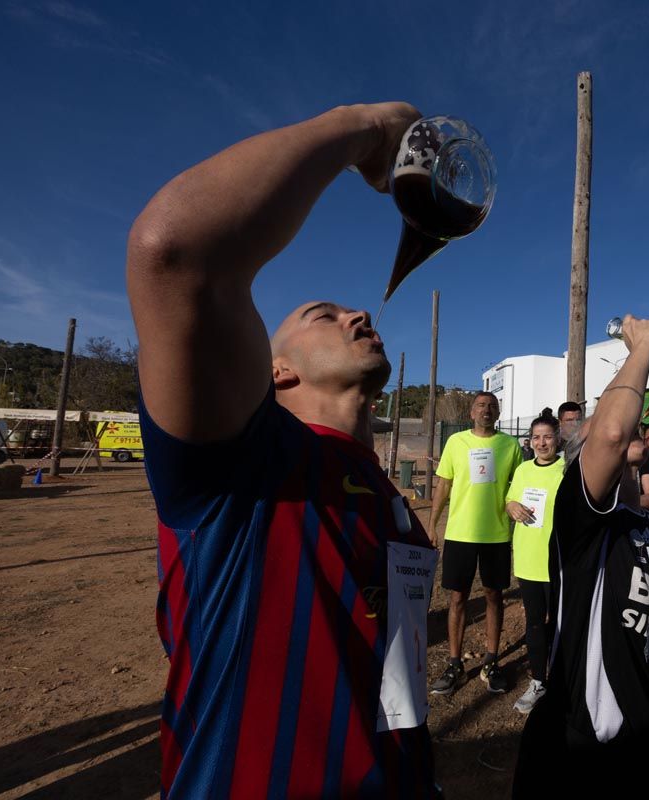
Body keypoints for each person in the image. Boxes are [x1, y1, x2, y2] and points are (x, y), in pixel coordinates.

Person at [127, 102, 441, 797]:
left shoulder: (385, 496)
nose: (356, 313)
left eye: (349, 310)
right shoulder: (246, 459)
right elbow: (175, 251)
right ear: (275, 373)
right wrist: (362, 128)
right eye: (321, 316)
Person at [513, 315, 649, 799]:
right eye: (599, 414)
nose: (622, 414)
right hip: (584, 738)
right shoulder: (580, 518)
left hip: (645, 728)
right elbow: (611, 433)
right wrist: (642, 346)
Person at [429, 392, 522, 695]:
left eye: (492, 406)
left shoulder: (510, 446)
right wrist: (432, 524)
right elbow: (443, 484)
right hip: (460, 534)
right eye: (481, 405)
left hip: (496, 535)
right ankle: (455, 664)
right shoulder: (456, 443)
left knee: (494, 596)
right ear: (471, 412)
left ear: (498, 413)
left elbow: (519, 487)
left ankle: (491, 662)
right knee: (458, 599)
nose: (486, 409)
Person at [505, 415, 566, 714]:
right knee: (534, 623)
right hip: (529, 559)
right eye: (536, 438)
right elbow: (509, 501)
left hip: (559, 561)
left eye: (548, 437)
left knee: (560, 624)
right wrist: (511, 505)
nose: (542, 443)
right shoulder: (523, 468)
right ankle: (538, 681)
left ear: (557, 439)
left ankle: (563, 680)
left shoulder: (567, 469)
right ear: (529, 441)